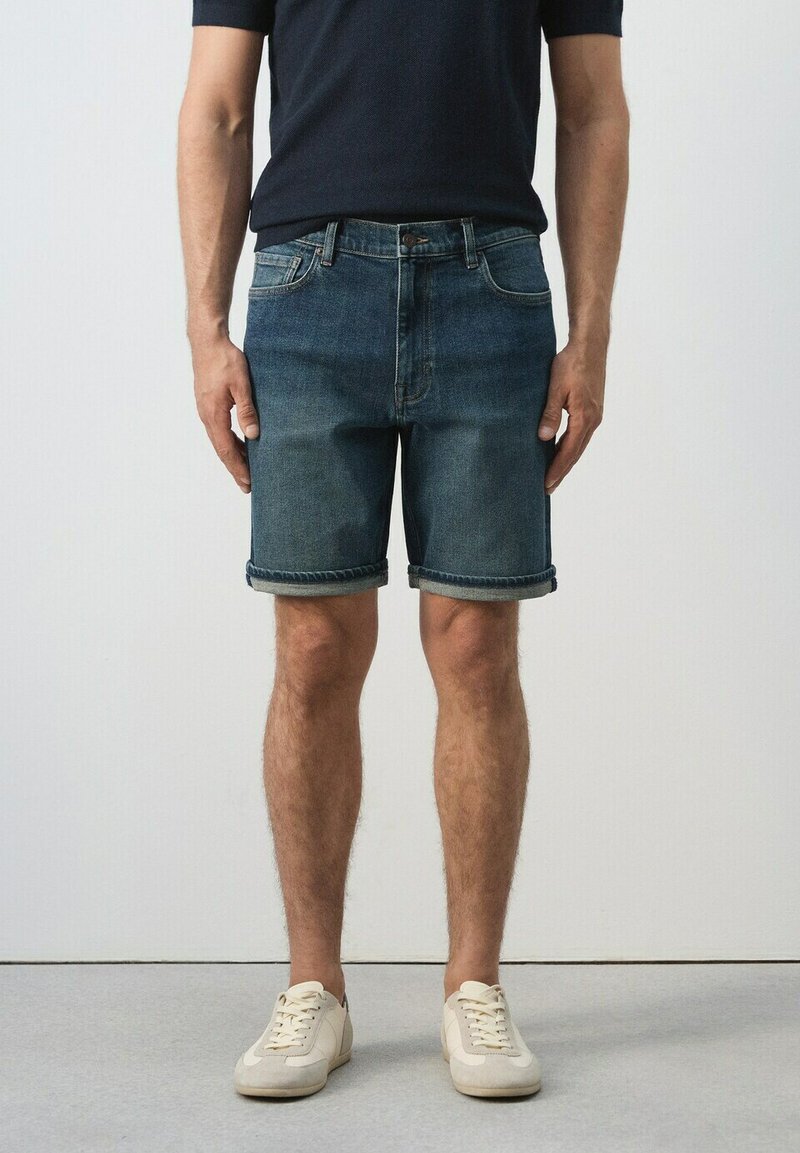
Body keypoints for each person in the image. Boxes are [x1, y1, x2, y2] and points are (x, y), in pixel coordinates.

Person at [177, 0, 628, 1100]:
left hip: (490, 285)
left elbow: (592, 109)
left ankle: (473, 985)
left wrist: (592, 332)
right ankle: (313, 989)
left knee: (475, 645)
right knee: (314, 646)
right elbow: (219, 105)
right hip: (306, 286)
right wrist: (205, 327)